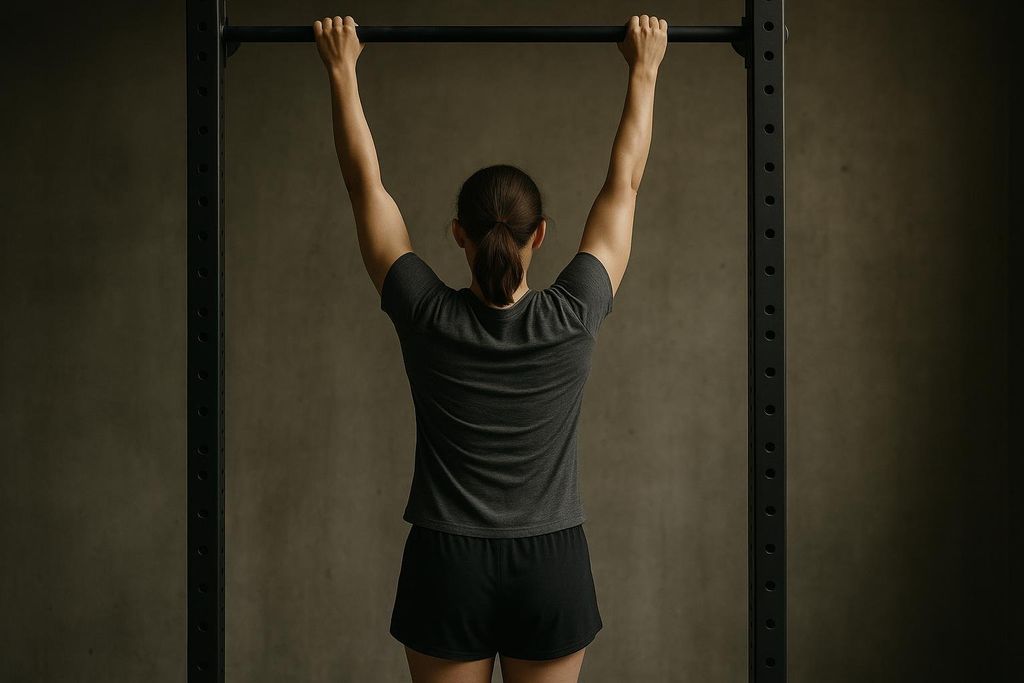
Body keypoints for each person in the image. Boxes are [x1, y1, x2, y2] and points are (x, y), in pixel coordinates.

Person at [314, 13, 667, 683]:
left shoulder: (424, 312)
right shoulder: (575, 312)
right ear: (539, 237)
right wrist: (643, 70)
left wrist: (341, 69)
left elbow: (366, 187)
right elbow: (624, 186)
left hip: (448, 566)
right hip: (551, 566)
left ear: (457, 234)